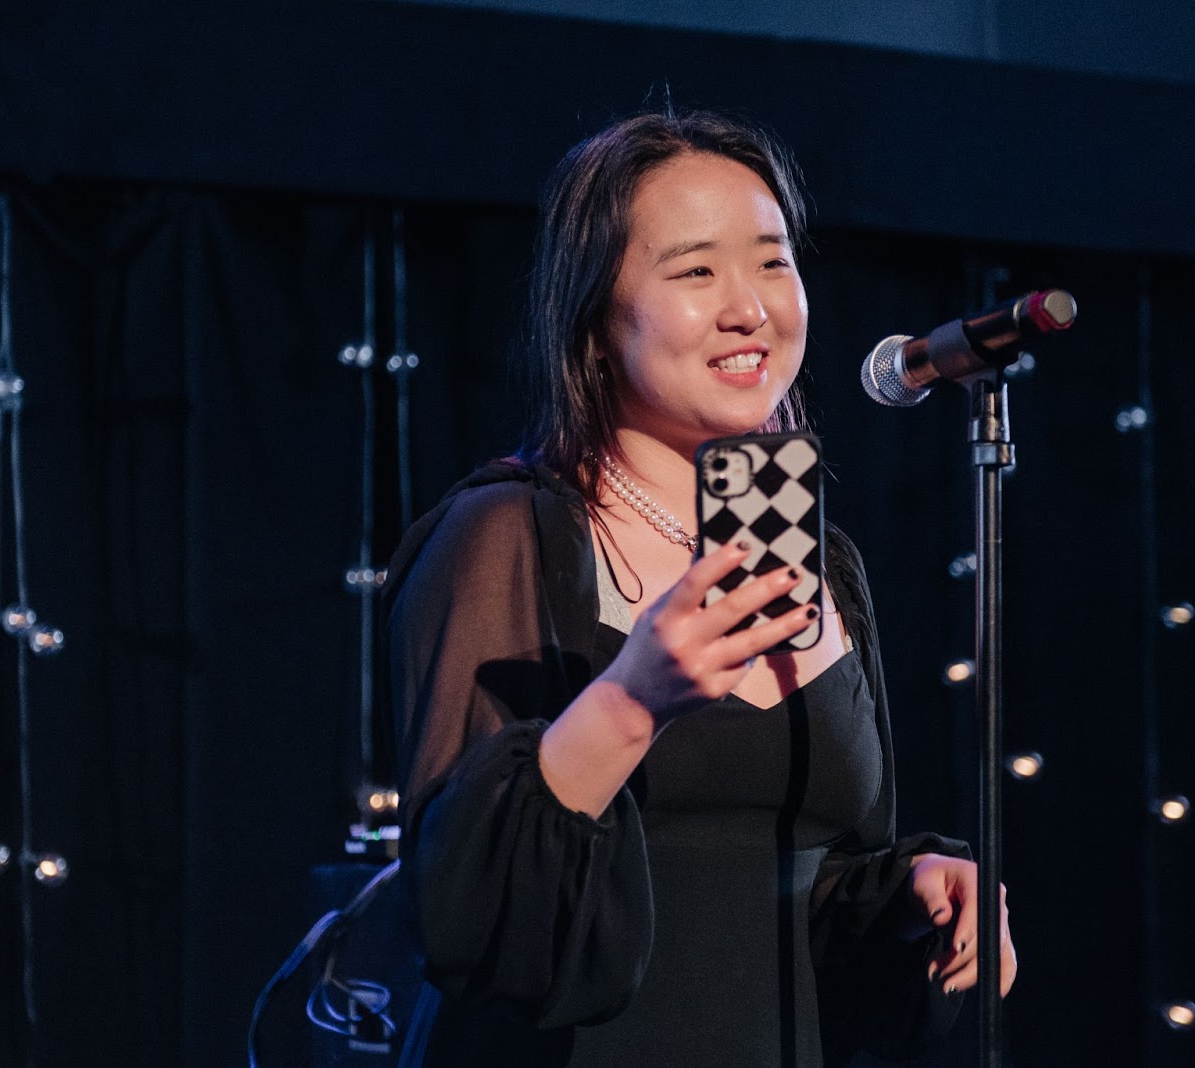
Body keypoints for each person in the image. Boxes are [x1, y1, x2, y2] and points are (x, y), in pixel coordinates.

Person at [385, 109, 1017, 1067]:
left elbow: (799, 876)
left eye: (771, 261)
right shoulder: (504, 535)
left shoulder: (823, 560)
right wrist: (633, 699)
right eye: (693, 271)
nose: (749, 307)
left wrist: (913, 889)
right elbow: (462, 906)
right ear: (596, 317)